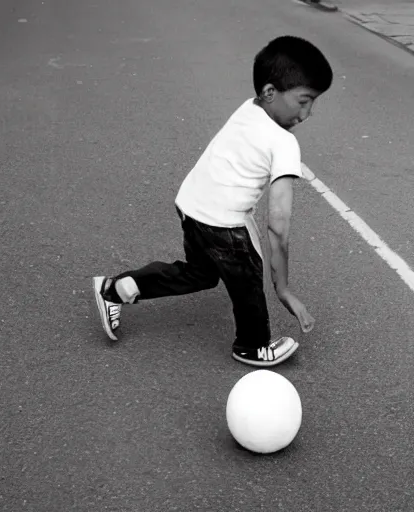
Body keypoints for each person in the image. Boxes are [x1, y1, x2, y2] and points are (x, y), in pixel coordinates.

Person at [93, 35, 333, 367]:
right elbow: (278, 226)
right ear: (269, 92)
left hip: (192, 204)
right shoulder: (284, 143)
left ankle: (117, 288)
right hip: (222, 221)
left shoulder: (250, 107)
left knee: (200, 273)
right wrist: (284, 289)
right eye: (304, 101)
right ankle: (252, 346)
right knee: (247, 279)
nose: (308, 113)